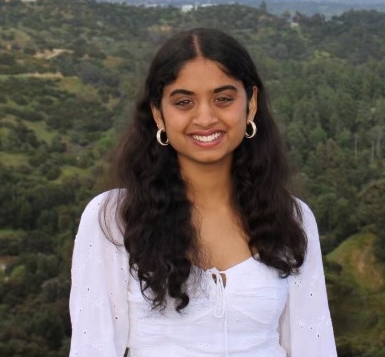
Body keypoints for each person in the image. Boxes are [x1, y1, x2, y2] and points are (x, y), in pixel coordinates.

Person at [69, 28, 338, 357]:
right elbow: (92, 347)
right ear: (158, 113)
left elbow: (314, 344)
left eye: (224, 99)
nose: (206, 118)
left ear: (250, 104)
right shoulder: (114, 219)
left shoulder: (291, 218)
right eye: (184, 102)